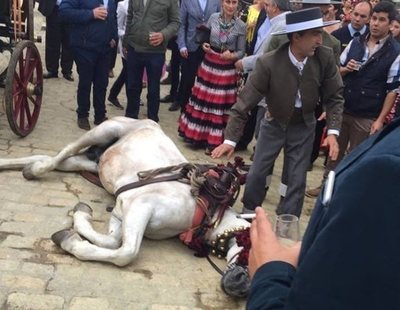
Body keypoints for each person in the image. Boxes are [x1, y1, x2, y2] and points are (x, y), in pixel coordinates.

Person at [247, 116, 400, 309]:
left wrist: (269, 273)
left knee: (293, 176)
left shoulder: (387, 171)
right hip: (277, 122)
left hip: (302, 127)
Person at [211, 7, 344, 217]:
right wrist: (230, 140)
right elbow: (244, 103)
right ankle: (248, 215)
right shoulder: (269, 62)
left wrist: (333, 133)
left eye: (320, 33)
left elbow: (335, 96)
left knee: (296, 178)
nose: (320, 40)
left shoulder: (324, 57)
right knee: (257, 172)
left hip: (304, 125)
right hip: (273, 122)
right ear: (296, 37)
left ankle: (287, 220)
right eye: (315, 34)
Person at [307, 1, 400, 198]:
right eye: (374, 18)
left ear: (391, 24)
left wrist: (380, 119)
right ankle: (326, 189)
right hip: (344, 107)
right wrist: (346, 69)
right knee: (334, 154)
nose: (375, 23)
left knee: (356, 158)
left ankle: (344, 195)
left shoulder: (395, 52)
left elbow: (392, 90)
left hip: (367, 114)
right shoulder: (356, 42)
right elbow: (336, 73)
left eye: (381, 20)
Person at [178, 0, 246, 154]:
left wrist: (232, 55)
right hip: (209, 65)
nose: (230, 6)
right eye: (228, 2)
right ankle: (197, 136)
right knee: (203, 102)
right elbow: (204, 39)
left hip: (227, 69)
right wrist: (204, 46)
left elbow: (242, 51)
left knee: (218, 106)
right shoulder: (213, 18)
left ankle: (214, 141)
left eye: (233, 2)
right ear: (223, 3)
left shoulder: (241, 25)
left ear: (237, 5)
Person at [59, 0, 118, 130]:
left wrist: (114, 37)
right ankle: (82, 115)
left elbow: (113, 16)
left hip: (105, 47)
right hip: (84, 46)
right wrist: (91, 14)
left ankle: (100, 116)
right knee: (86, 82)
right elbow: (64, 12)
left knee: (102, 83)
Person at [123, 0, 180, 122]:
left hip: (155, 52)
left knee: (153, 89)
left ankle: (152, 120)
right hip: (134, 48)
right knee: (132, 86)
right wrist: (126, 42)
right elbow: (130, 16)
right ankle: (130, 118)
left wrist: (163, 35)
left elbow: (175, 22)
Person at [168, 0, 221, 112]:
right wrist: (182, 45)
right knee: (188, 80)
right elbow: (181, 23)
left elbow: (220, 22)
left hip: (209, 46)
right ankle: (184, 109)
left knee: (205, 82)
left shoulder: (217, 1)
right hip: (190, 46)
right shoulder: (187, 2)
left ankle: (200, 110)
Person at [39, 0, 74, 81]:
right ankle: (52, 70)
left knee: (68, 40)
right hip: (54, 8)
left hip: (71, 9)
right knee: (52, 40)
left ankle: (67, 70)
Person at [107, 0, 129, 110]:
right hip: (126, 44)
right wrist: (127, 36)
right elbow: (118, 28)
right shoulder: (122, 5)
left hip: (140, 43)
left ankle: (113, 94)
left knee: (128, 71)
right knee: (128, 70)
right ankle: (113, 94)